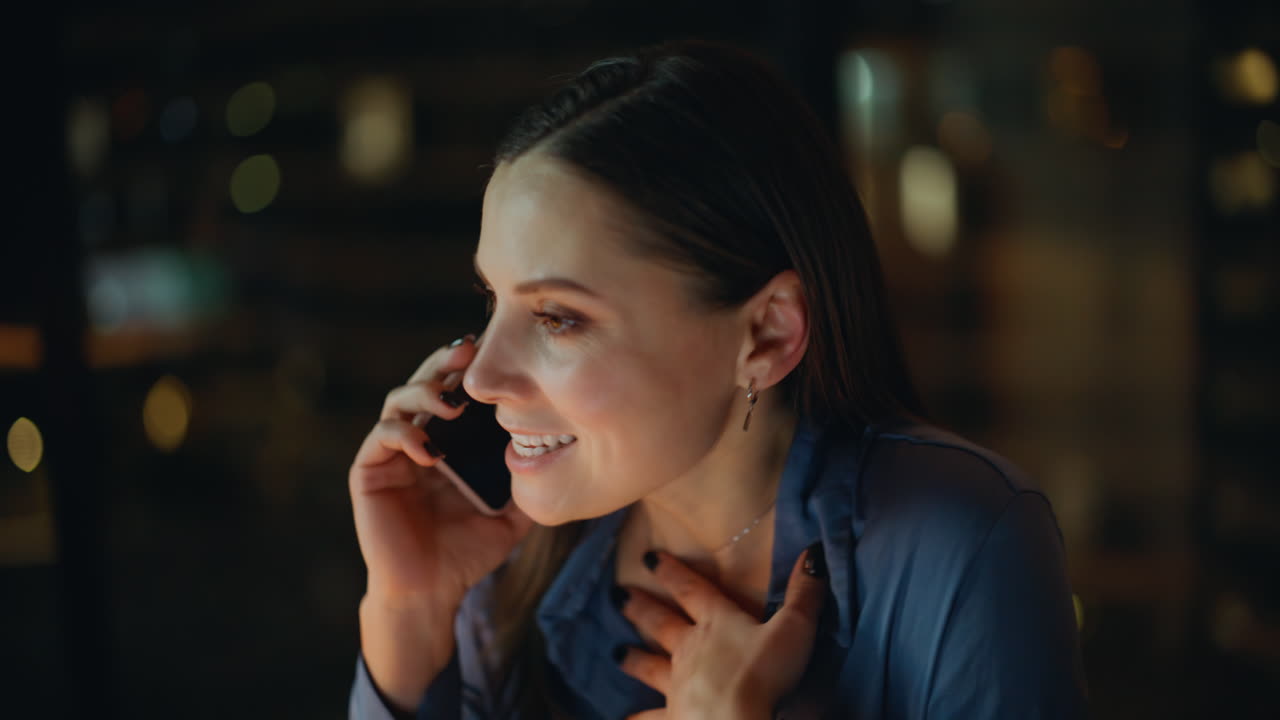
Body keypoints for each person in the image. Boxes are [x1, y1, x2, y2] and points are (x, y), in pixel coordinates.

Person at [347, 39, 1087, 719]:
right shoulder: (498, 564)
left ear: (767, 333)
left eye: (557, 318)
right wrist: (410, 611)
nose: (479, 379)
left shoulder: (960, 541)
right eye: (493, 300)